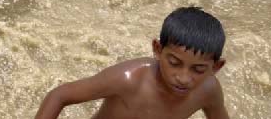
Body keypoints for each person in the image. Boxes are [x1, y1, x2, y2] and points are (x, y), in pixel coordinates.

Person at [33, 7, 229, 119]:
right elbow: (59, 95)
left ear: (216, 67)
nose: (184, 78)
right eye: (174, 63)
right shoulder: (128, 79)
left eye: (198, 69)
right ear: (158, 50)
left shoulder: (208, 91)